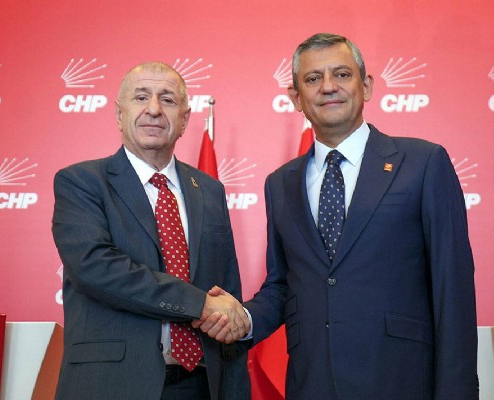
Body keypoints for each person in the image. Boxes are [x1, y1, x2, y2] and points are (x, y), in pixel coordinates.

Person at [200, 33, 479, 399]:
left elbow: (452, 288)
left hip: (401, 381)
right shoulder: (280, 184)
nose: (328, 86)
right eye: (313, 78)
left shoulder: (423, 163)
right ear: (295, 98)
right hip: (312, 383)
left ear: (367, 86)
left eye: (342, 74)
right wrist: (245, 318)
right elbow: (284, 285)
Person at [51, 61, 250, 400]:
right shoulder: (81, 182)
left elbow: (226, 290)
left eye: (168, 100)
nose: (154, 109)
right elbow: (96, 269)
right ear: (119, 113)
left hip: (201, 384)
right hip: (113, 385)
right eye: (141, 97)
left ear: (184, 119)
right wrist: (200, 304)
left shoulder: (209, 190)